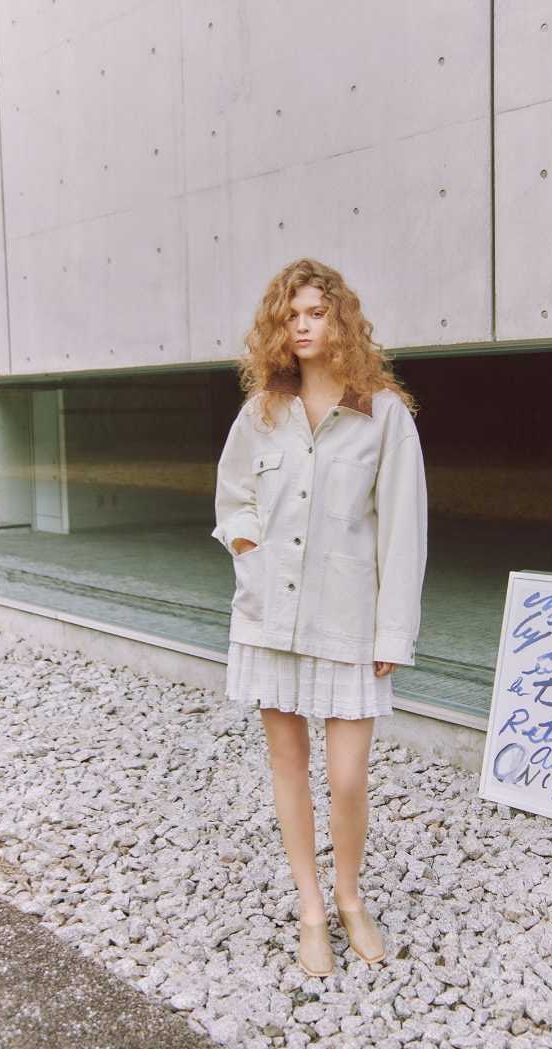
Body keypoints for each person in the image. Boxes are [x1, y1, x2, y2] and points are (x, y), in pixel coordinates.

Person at [211, 257, 428, 976]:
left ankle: (349, 897)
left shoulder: (382, 413)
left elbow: (404, 529)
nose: (302, 327)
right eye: (291, 316)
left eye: (316, 313)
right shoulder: (261, 412)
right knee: (288, 766)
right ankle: (311, 908)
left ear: (341, 320)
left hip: (347, 619)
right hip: (270, 614)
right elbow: (233, 496)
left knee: (348, 775)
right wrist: (249, 545)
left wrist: (393, 630)